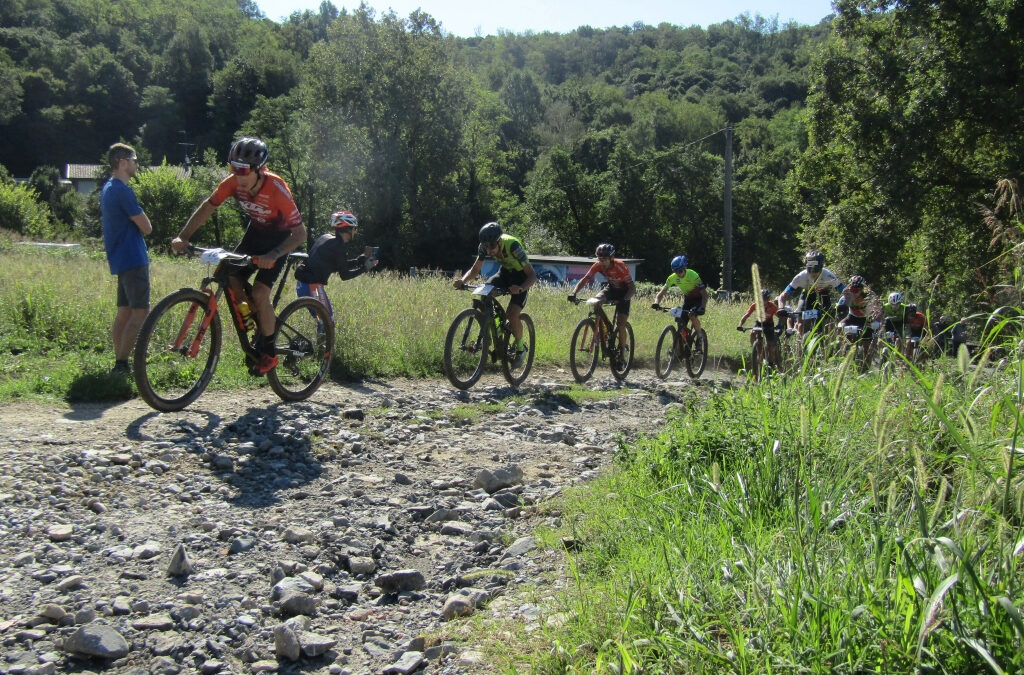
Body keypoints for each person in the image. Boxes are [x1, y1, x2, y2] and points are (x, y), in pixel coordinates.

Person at [171, 137, 307, 375]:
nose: (239, 176)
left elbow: (300, 234)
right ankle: (256, 319)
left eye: (244, 171)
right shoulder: (232, 183)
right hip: (255, 233)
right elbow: (208, 207)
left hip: (280, 239)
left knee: (260, 292)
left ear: (259, 169)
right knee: (228, 274)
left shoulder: (276, 189)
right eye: (234, 168)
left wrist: (274, 254)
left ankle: (269, 352)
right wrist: (183, 237)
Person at [454, 222, 537, 366]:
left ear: (499, 241)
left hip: (521, 278)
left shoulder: (513, 246)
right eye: (486, 246)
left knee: (512, 315)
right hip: (504, 274)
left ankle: (520, 348)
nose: (489, 250)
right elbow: (475, 269)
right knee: (485, 292)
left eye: (492, 246)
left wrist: (521, 288)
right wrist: (462, 280)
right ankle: (489, 332)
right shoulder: (484, 247)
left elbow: (532, 276)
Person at [101, 143, 152, 375]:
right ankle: (122, 364)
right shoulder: (122, 190)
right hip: (134, 258)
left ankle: (119, 360)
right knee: (141, 313)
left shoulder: (108, 188)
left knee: (124, 312)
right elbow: (146, 226)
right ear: (123, 163)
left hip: (120, 259)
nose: (137, 164)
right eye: (134, 160)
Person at [294, 210, 378, 321]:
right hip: (312, 286)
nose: (355, 232)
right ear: (348, 229)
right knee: (327, 322)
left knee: (323, 323)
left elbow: (336, 266)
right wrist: (365, 268)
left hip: (302, 285)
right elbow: (345, 275)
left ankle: (309, 338)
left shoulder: (327, 238)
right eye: (354, 228)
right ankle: (318, 338)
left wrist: (359, 261)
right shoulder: (339, 246)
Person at [568, 243, 635, 353]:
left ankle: (622, 349)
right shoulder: (597, 265)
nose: (602, 262)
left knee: (621, 324)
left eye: (604, 259)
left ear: (611, 258)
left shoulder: (620, 266)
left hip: (625, 292)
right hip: (612, 289)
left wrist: (625, 299)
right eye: (600, 259)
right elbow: (585, 279)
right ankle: (605, 328)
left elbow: (632, 288)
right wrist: (574, 292)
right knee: (596, 300)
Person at [777, 250, 845, 333]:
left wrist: (845, 304)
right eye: (810, 269)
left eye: (816, 269)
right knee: (800, 322)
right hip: (807, 296)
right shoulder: (800, 276)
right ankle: (800, 343)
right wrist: (781, 308)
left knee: (828, 322)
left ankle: (826, 343)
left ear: (821, 267)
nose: (813, 273)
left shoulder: (828, 275)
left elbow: (843, 290)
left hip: (823, 295)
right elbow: (783, 295)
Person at [652, 254, 708, 333]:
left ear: (685, 268)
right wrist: (656, 303)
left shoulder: (693, 275)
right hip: (688, 300)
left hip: (698, 300)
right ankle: (679, 343)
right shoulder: (672, 278)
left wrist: (702, 307)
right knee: (680, 321)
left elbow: (704, 294)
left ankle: (700, 337)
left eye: (680, 270)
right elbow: (661, 293)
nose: (678, 273)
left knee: (691, 316)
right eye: (675, 271)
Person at [837, 275, 879, 341]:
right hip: (851, 317)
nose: (853, 293)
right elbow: (840, 314)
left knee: (867, 341)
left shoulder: (868, 298)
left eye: (856, 290)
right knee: (840, 327)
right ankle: (840, 347)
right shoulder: (846, 297)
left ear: (862, 290)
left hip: (865, 320)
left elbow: (874, 314)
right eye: (852, 289)